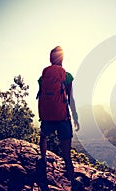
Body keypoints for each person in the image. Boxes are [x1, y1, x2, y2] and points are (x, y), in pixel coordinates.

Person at [37, 46, 80, 183]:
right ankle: (73, 181)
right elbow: (70, 99)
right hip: (62, 117)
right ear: (62, 59)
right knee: (66, 154)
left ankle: (42, 158)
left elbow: (41, 96)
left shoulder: (43, 77)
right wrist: (75, 117)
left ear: (50, 59)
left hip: (47, 117)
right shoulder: (67, 76)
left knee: (43, 136)